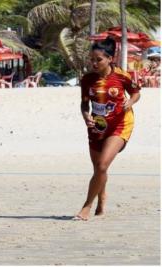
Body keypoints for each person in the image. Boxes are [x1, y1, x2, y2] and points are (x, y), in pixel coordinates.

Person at [75, 37, 141, 221]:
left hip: (120, 124)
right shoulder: (87, 79)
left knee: (103, 165)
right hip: (97, 127)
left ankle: (86, 207)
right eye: (92, 59)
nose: (94, 63)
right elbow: (84, 104)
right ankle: (101, 198)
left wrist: (131, 101)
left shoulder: (121, 76)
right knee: (98, 168)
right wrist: (85, 115)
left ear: (110, 59)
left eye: (99, 60)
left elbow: (136, 92)